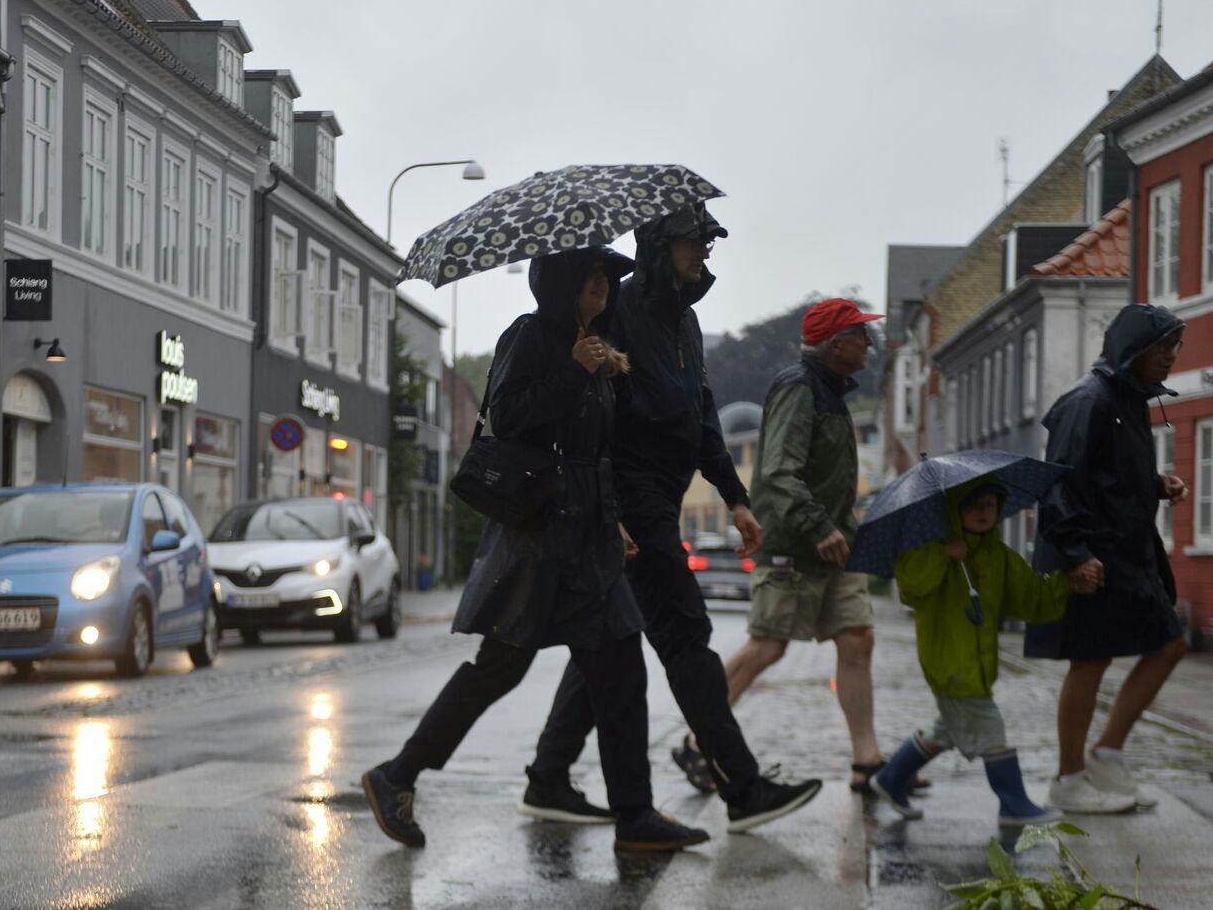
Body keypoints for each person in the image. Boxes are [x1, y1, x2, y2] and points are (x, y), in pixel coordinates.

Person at [361, 246, 710, 853]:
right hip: (541, 540)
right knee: (498, 669)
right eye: (592, 275)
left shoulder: (598, 349)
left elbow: (595, 452)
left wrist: (617, 518)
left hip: (590, 540)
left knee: (622, 666)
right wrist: (574, 370)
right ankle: (396, 776)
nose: (603, 284)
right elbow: (507, 416)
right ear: (563, 283)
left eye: (608, 277)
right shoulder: (531, 336)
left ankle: (635, 816)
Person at [520, 208, 823, 835]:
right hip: (632, 499)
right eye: (695, 242)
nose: (705, 253)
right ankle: (741, 786)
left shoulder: (685, 321)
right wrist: (612, 510)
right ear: (660, 246)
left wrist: (735, 496)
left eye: (709, 243)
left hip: (660, 493)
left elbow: (701, 413)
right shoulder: (619, 312)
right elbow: (596, 415)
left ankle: (549, 777)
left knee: (605, 643)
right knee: (686, 638)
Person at [720, 298, 895, 795]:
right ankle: (699, 738)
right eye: (861, 335)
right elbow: (777, 471)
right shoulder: (800, 388)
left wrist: (839, 529)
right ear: (836, 344)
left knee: (857, 639)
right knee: (768, 646)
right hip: (797, 545)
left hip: (835, 544)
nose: (868, 343)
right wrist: (818, 526)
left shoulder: (831, 391)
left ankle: (867, 758)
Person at [1025, 304, 1189, 815]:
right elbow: (1057, 486)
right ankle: (1069, 778)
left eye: (1175, 348)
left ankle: (1107, 752)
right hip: (1091, 556)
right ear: (1135, 349)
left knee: (1168, 644)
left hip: (1129, 554)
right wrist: (1075, 556)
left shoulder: (1129, 401)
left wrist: (1154, 485)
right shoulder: (1088, 402)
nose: (1171, 358)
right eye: (1163, 348)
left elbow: (1107, 475)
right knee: (1090, 660)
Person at [870, 478, 1106, 825]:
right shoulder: (928, 548)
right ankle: (1013, 803)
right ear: (955, 511)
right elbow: (911, 587)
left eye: (990, 505)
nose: (983, 512)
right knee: (989, 727)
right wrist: (942, 554)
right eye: (973, 505)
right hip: (949, 662)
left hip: (978, 664)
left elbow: (1030, 596)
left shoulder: (998, 557)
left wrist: (1067, 583)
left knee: (947, 730)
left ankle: (890, 778)